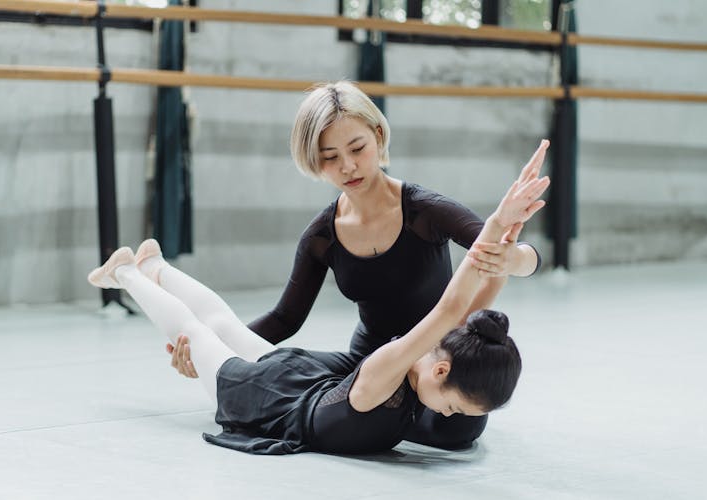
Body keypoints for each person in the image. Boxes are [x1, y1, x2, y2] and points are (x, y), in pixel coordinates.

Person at [168, 81, 547, 449]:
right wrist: (208, 352)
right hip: (366, 366)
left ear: (378, 136)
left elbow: (509, 252)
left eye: (357, 148)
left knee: (457, 429)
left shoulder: (424, 210)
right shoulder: (322, 235)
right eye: (330, 157)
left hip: (435, 363)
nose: (348, 166)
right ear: (314, 162)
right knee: (281, 374)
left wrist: (512, 258)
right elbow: (285, 319)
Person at [87, 164, 549, 455]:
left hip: (302, 382)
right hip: (264, 400)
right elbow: (449, 312)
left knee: (221, 323)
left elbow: (470, 306)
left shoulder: (423, 369)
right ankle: (126, 273)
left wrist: (508, 239)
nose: (447, 415)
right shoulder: (387, 371)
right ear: (440, 370)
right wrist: (493, 225)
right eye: (450, 405)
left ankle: (156, 265)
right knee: (201, 328)